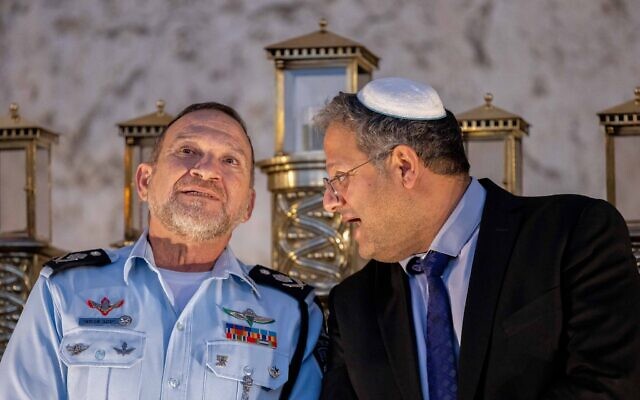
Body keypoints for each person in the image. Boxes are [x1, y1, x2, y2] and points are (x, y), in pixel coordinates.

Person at [315, 77, 640, 400]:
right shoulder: (354, 305)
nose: (329, 201)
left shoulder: (573, 236)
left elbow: (610, 386)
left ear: (404, 167)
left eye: (340, 177)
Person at [0, 102, 324, 399]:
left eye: (230, 160)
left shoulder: (292, 313)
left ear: (248, 205)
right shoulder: (64, 289)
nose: (207, 169)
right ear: (144, 181)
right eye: (186, 150)